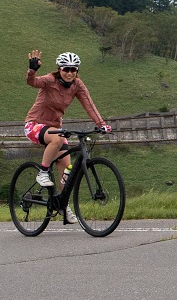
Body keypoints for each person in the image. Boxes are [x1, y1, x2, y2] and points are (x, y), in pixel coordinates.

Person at [24, 50, 112, 221]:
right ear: (60, 69)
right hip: (34, 125)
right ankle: (42, 172)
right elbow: (33, 82)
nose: (70, 73)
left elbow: (89, 104)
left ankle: (63, 205)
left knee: (67, 171)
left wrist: (101, 125)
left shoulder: (77, 85)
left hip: (56, 127)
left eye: (73, 69)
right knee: (57, 139)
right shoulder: (50, 80)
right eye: (66, 69)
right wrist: (32, 70)